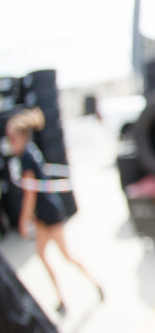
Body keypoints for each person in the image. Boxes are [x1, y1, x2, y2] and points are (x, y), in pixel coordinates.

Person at [5, 108, 103, 317]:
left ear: (21, 136)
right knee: (41, 255)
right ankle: (61, 299)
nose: (9, 141)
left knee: (66, 256)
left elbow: (30, 193)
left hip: (49, 214)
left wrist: (23, 221)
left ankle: (95, 283)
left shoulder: (27, 158)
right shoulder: (28, 151)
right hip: (42, 215)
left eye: (11, 136)